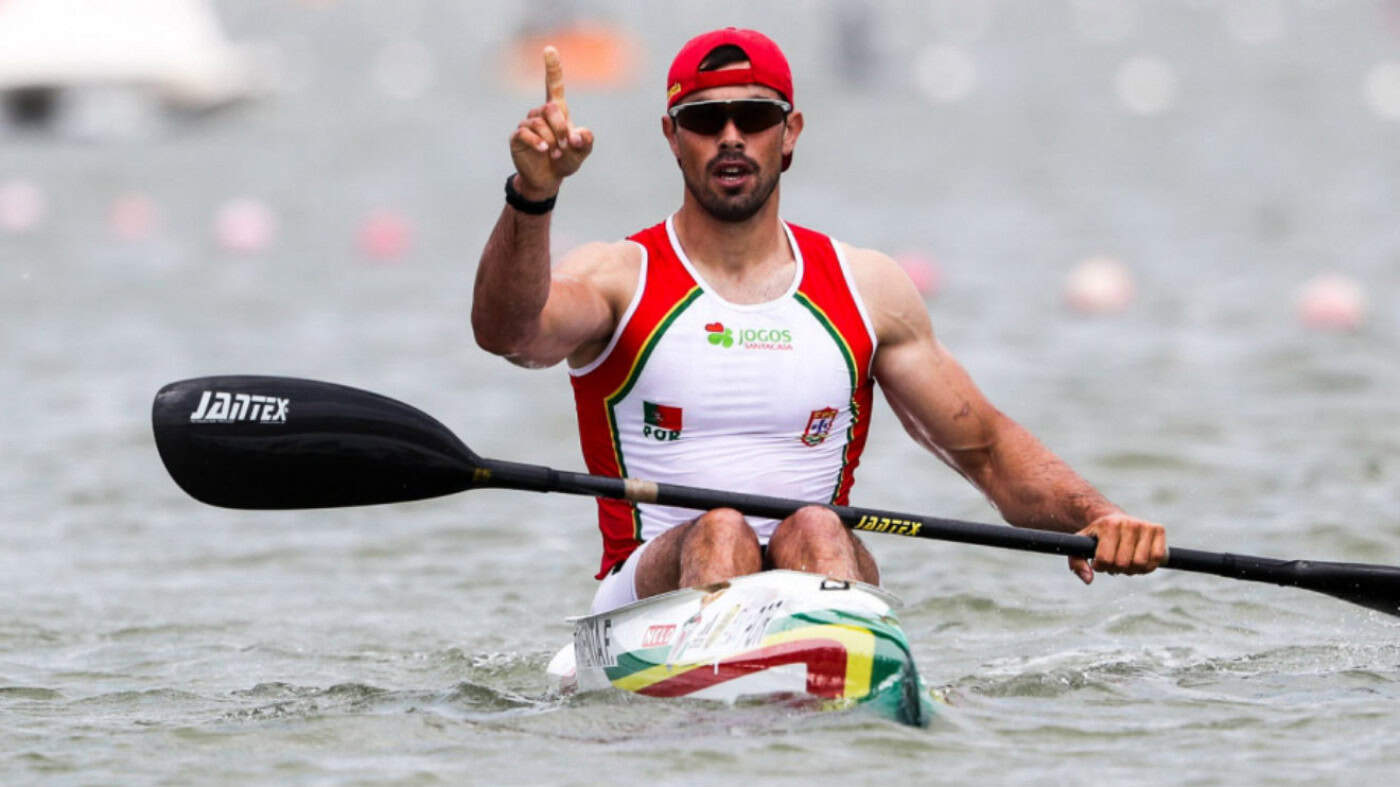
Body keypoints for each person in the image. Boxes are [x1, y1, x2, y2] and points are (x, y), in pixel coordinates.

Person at [472, 28, 1167, 613]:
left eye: (755, 116)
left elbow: (985, 449)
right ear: (672, 138)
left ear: (790, 133)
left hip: (815, 565)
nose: (732, 137)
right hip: (646, 598)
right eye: (706, 121)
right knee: (721, 531)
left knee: (815, 527)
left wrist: (1096, 515)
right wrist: (534, 193)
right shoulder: (618, 278)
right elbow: (509, 333)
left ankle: (827, 707)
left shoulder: (867, 289)